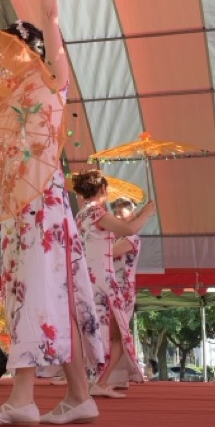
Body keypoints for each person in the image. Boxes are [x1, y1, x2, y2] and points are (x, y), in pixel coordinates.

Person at [0, 0, 104, 427]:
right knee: (53, 295)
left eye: (10, 50)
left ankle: (22, 399)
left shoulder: (53, 81)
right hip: (27, 209)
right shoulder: (4, 104)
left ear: (30, 50)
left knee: (32, 292)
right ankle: (79, 396)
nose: (3, 59)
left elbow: (51, 15)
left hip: (40, 208)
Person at [73, 170, 156, 398]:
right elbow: (129, 229)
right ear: (102, 189)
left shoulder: (81, 215)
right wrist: (147, 213)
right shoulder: (96, 212)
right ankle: (99, 382)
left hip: (88, 278)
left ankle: (94, 381)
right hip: (103, 280)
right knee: (117, 335)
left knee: (94, 332)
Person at [107, 197, 142, 389]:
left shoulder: (131, 238)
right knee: (113, 334)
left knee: (118, 334)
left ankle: (109, 377)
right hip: (113, 288)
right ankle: (117, 377)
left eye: (122, 212)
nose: (118, 216)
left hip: (122, 291)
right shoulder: (118, 238)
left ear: (133, 214)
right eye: (116, 212)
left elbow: (108, 254)